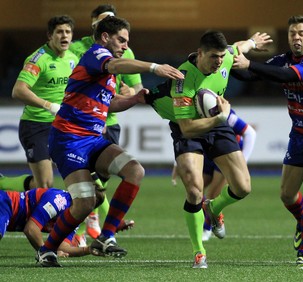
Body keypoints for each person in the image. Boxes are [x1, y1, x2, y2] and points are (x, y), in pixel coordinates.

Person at [36, 16, 184, 267]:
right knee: (85, 203)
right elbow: (116, 66)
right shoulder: (96, 55)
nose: (126, 45)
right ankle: (47, 249)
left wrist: (134, 99)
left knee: (134, 170)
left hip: (93, 139)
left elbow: (109, 102)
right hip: (68, 139)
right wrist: (153, 67)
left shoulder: (105, 68)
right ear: (105, 37)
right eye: (121, 40)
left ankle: (105, 236)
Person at [144, 30, 270, 268]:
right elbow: (187, 128)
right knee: (193, 190)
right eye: (214, 57)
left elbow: (238, 48)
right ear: (200, 53)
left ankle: (213, 207)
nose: (219, 61)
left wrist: (253, 42)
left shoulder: (226, 57)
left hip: (217, 124)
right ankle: (199, 252)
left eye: (222, 56)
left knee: (243, 187)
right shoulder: (183, 78)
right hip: (190, 128)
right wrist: (220, 119)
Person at [233, 15, 303, 267]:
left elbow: (287, 77)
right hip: (300, 136)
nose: (296, 37)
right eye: (292, 33)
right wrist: (228, 62)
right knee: (286, 195)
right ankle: (302, 221)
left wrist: (248, 62)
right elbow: (249, 77)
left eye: (301, 33)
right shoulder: (282, 59)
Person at [69, 3, 140, 243]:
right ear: (97, 28)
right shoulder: (79, 49)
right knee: (89, 185)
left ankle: (96, 226)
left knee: (102, 183)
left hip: (108, 123)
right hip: (78, 125)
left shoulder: (124, 50)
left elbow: (134, 87)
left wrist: (133, 92)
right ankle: (86, 230)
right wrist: (154, 67)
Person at [11, 15, 78, 189]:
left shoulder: (73, 58)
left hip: (62, 124)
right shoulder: (38, 59)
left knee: (82, 173)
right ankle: (5, 183)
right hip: (36, 125)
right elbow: (18, 90)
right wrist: (48, 106)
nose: (64, 36)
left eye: (68, 32)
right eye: (59, 32)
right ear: (50, 36)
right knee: (45, 184)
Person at [0, 186, 104, 258]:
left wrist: (89, 249)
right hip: (5, 203)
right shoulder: (59, 200)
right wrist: (46, 252)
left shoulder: (74, 217)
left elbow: (63, 247)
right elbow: (31, 229)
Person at [202, 109, 256, 241]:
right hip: (208, 151)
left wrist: (242, 163)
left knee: (212, 194)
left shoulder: (220, 109)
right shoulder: (188, 108)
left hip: (226, 152)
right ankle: (210, 220)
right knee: (195, 191)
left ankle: (207, 228)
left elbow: (250, 133)